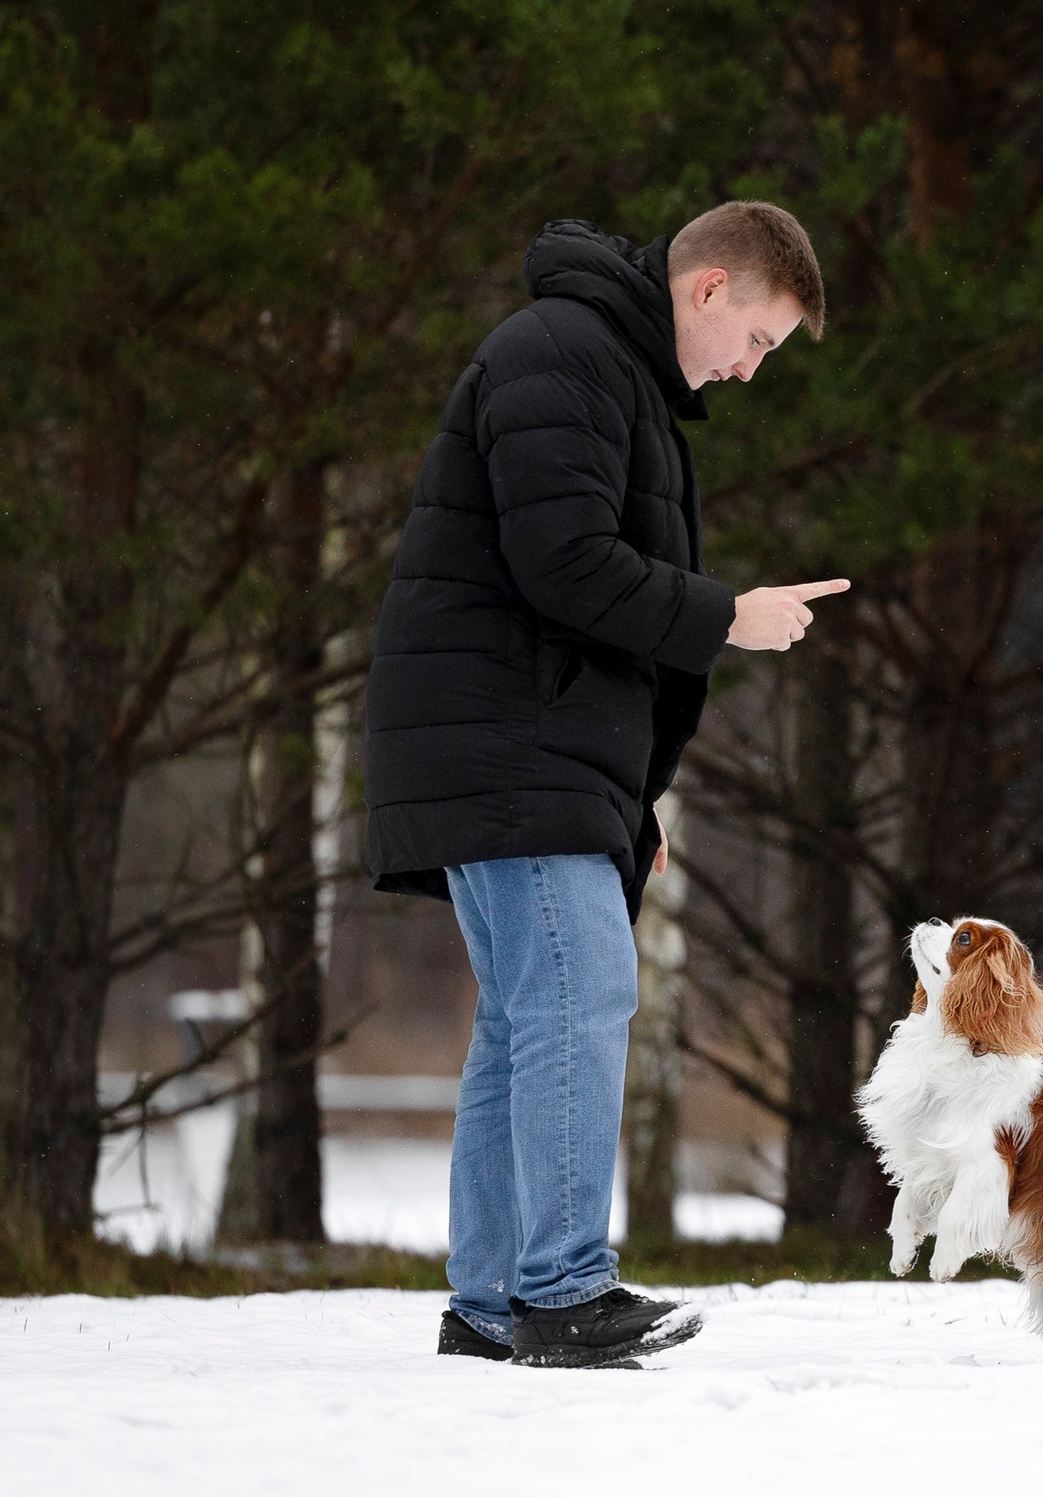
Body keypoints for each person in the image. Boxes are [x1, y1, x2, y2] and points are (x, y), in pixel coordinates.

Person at [363, 202, 845, 1369]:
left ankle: (491, 1305)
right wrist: (728, 615)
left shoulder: (604, 369)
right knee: (579, 1000)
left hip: (529, 746)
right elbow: (566, 565)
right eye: (758, 340)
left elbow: (577, 591)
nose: (750, 369)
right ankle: (564, 1292)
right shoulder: (565, 355)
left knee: (524, 1024)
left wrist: (630, 799)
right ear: (709, 286)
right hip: (508, 744)